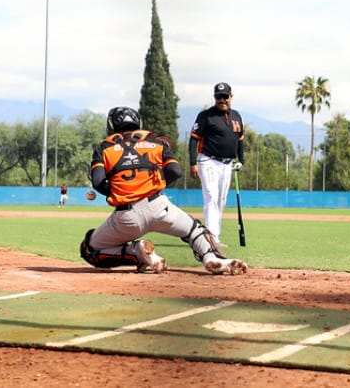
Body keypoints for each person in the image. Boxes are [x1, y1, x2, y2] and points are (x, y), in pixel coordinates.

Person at [80, 106, 248, 276]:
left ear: (111, 125)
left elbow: (98, 181)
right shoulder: (155, 141)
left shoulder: (104, 148)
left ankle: (137, 251)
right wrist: (152, 186)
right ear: (138, 123)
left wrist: (120, 191)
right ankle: (212, 258)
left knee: (89, 250)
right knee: (195, 230)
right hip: (159, 206)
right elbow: (175, 171)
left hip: (126, 215)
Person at [188, 82, 245, 248]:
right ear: (214, 98)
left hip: (227, 164)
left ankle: (215, 235)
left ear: (231, 97)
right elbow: (194, 139)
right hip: (208, 160)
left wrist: (241, 160)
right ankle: (212, 237)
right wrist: (193, 163)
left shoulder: (236, 116)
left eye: (225, 96)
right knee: (211, 197)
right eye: (218, 96)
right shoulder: (206, 116)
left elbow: (240, 139)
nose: (222, 100)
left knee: (221, 199)